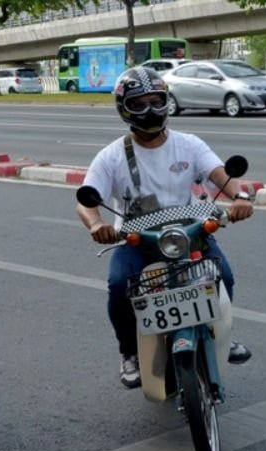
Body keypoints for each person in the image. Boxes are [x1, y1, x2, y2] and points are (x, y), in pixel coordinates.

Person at [76, 67, 253, 389]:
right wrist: (96, 224)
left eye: (156, 101)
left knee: (222, 276)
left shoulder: (189, 145)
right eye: (139, 103)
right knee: (118, 286)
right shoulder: (112, 156)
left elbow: (220, 175)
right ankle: (129, 352)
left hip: (190, 234)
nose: (150, 110)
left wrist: (240, 197)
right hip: (136, 240)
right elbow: (87, 199)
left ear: (167, 102)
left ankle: (220, 334)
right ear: (124, 108)